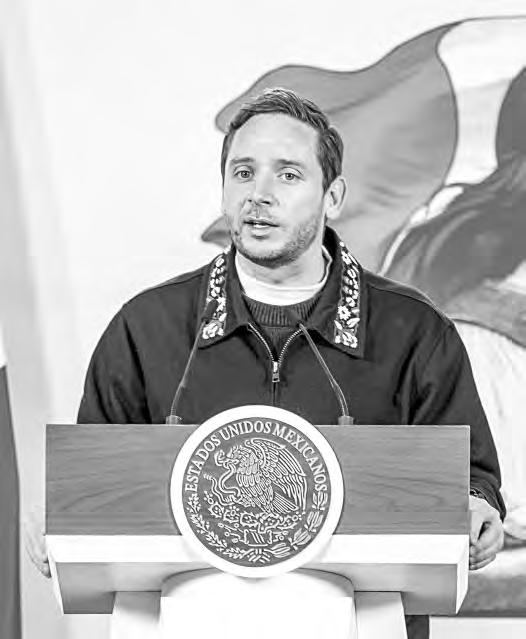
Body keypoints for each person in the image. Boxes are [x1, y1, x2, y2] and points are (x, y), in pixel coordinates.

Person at [45, 88, 506, 638]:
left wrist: (476, 507)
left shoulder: (413, 330)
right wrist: (58, 518)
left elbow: (470, 477)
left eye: (288, 174)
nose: (259, 194)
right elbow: (94, 482)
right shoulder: (147, 327)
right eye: (243, 173)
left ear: (333, 196)